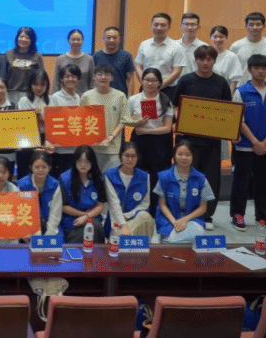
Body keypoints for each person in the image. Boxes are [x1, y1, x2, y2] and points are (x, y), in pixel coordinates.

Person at [173, 44, 232, 230]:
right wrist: (180, 122)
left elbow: (227, 111)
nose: (205, 63)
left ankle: (207, 216)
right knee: (186, 176)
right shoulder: (186, 80)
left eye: (209, 59)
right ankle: (184, 212)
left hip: (212, 141)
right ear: (196, 60)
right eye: (202, 59)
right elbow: (176, 106)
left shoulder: (221, 82)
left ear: (214, 61)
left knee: (211, 178)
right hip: (188, 140)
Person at [230, 54, 266, 233]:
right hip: (245, 146)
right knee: (241, 183)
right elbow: (239, 121)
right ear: (250, 69)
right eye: (256, 68)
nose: (260, 71)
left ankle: (264, 216)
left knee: (265, 183)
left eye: (264, 68)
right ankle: (238, 214)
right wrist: (254, 141)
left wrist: (265, 143)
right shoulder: (241, 92)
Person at [127, 68, 174, 212]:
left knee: (157, 176)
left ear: (159, 83)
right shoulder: (133, 99)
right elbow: (124, 120)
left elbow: (167, 128)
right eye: (147, 79)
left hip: (159, 143)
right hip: (139, 141)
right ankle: (137, 208)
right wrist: (136, 123)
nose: (150, 83)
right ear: (142, 81)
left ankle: (155, 209)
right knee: (138, 173)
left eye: (154, 80)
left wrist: (146, 130)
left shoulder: (165, 101)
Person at [155, 139, 214, 243]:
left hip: (191, 219)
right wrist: (175, 222)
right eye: (180, 154)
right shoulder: (164, 177)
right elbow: (162, 205)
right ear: (174, 155)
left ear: (193, 156)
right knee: (177, 237)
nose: (183, 158)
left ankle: (168, 240)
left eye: (187, 154)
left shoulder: (201, 178)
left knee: (198, 234)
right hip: (169, 219)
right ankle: (170, 239)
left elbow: (203, 208)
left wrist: (184, 220)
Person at [78, 63, 130, 172]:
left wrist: (112, 136)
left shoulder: (120, 96)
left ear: (112, 78)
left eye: (107, 74)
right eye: (99, 74)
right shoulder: (86, 96)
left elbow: (124, 120)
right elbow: (81, 120)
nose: (103, 77)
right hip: (91, 148)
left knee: (111, 179)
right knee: (92, 179)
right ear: (94, 77)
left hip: (113, 148)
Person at [103, 141, 155, 238]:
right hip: (116, 221)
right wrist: (123, 224)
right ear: (120, 156)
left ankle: (141, 246)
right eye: (126, 155)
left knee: (145, 217)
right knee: (123, 234)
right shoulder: (110, 175)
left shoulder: (145, 177)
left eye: (133, 156)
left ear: (137, 158)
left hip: (134, 218)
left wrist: (127, 216)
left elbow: (145, 204)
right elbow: (113, 203)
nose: (130, 159)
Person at [59, 145, 106, 244]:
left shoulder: (98, 179)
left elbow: (100, 205)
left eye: (87, 161)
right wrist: (84, 215)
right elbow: (63, 207)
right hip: (72, 221)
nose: (83, 165)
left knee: (95, 227)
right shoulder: (65, 178)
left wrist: (87, 217)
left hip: (93, 218)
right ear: (75, 161)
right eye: (79, 161)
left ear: (92, 162)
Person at [135, 13, 185, 97]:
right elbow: (138, 66)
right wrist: (145, 83)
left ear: (169, 27)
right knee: (147, 106)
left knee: (166, 107)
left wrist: (158, 86)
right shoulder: (144, 44)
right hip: (146, 89)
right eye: (156, 25)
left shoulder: (177, 47)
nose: (159, 28)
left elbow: (176, 72)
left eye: (163, 25)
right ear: (151, 26)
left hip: (167, 90)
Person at [45, 64, 83, 177]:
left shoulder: (79, 99)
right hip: (60, 150)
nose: (70, 79)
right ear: (61, 79)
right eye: (67, 76)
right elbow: (50, 123)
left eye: (73, 76)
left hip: (75, 149)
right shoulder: (55, 98)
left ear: (78, 79)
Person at [230, 12, 266, 86]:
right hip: (241, 88)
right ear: (246, 26)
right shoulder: (236, 46)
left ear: (264, 26)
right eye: (251, 25)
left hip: (265, 88)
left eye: (258, 24)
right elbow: (232, 69)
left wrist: (262, 80)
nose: (255, 27)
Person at [16, 150, 63, 236]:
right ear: (31, 167)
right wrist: (27, 232)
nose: (40, 170)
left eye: (44, 167)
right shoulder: (21, 185)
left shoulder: (55, 185)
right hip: (28, 225)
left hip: (49, 224)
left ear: (49, 167)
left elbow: (55, 213)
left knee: (56, 239)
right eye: (37, 167)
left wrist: (49, 234)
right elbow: (19, 212)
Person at [5, 26, 45, 105]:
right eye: (21, 36)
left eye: (27, 37)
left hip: (29, 94)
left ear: (32, 40)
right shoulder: (9, 54)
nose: (23, 39)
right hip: (10, 93)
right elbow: (3, 75)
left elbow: (41, 77)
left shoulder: (37, 56)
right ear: (17, 38)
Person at [93, 26, 136, 96]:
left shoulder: (126, 56)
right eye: (108, 37)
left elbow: (130, 79)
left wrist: (130, 98)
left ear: (119, 39)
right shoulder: (96, 56)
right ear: (103, 38)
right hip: (99, 96)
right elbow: (93, 78)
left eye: (115, 37)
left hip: (120, 96)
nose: (111, 40)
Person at [53, 29, 95, 94]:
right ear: (68, 41)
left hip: (83, 97)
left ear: (82, 41)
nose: (76, 42)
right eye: (73, 39)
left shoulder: (89, 59)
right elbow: (56, 82)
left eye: (78, 39)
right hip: (63, 97)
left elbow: (93, 82)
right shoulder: (61, 59)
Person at [209, 25, 242, 94]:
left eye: (221, 37)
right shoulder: (205, 54)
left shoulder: (232, 56)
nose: (218, 40)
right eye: (215, 37)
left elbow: (234, 81)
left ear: (226, 38)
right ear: (210, 38)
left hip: (223, 93)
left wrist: (229, 97)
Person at [175, 12, 207, 77]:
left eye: (193, 24)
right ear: (181, 26)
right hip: (175, 82)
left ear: (198, 27)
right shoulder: (174, 45)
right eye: (186, 24)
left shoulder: (204, 47)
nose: (189, 27)